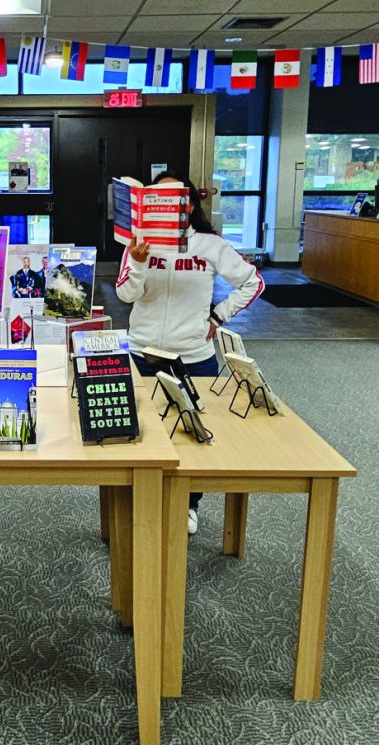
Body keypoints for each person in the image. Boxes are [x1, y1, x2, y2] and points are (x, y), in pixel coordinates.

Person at [116, 171, 264, 535]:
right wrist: (136, 262)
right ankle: (143, 499)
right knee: (143, 430)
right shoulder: (137, 245)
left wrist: (219, 316)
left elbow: (252, 281)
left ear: (189, 205)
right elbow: (125, 295)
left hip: (194, 355)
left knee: (193, 434)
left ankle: (189, 504)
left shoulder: (211, 246)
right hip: (141, 351)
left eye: (173, 199)